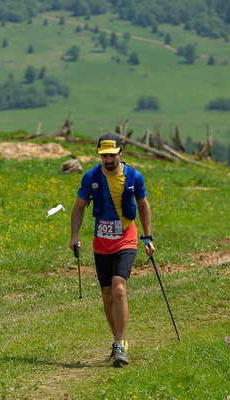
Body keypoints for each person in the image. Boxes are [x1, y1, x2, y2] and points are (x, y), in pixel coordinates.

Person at [70, 133, 155, 367]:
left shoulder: (134, 177)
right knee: (107, 295)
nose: (108, 160)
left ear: (120, 153)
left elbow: (143, 205)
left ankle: (119, 343)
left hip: (126, 238)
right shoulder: (91, 178)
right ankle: (118, 340)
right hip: (101, 242)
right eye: (104, 155)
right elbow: (78, 207)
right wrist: (74, 236)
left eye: (112, 155)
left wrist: (148, 237)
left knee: (119, 288)